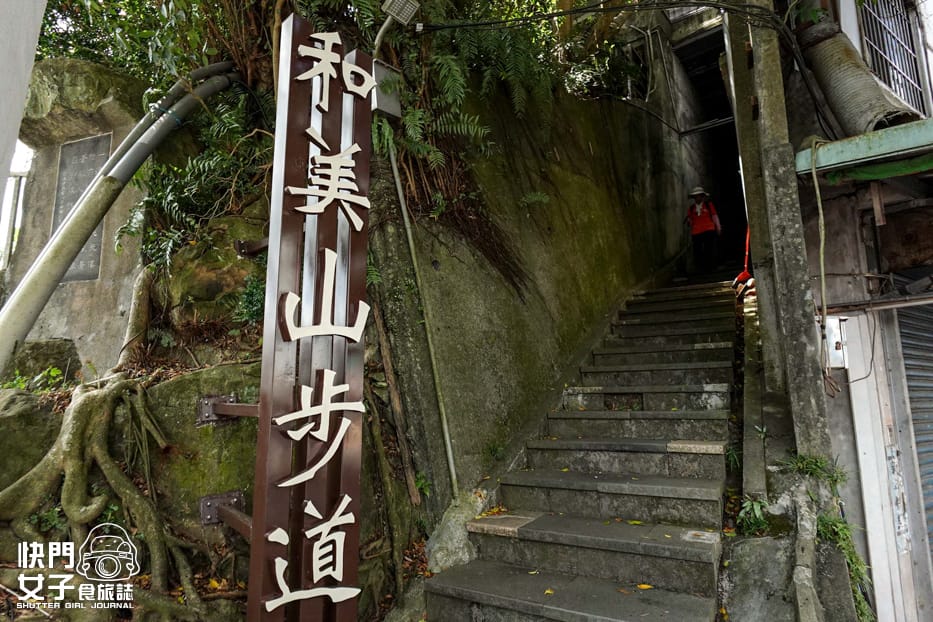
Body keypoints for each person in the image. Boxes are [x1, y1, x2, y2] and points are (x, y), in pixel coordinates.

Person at [685, 186, 721, 272]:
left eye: (699, 196)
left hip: (709, 230)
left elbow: (714, 216)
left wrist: (718, 227)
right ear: (694, 198)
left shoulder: (708, 205)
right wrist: (689, 221)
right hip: (696, 232)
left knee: (709, 249)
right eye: (696, 196)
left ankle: (710, 267)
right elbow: (690, 220)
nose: (698, 198)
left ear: (702, 196)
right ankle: (701, 268)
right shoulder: (691, 208)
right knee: (697, 251)